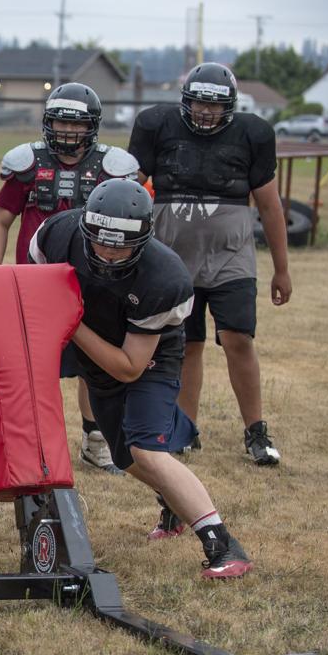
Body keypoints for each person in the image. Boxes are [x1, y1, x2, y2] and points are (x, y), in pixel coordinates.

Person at [29, 178, 251, 578]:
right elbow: (34, 282)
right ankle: (173, 504)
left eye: (122, 244)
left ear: (145, 237)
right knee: (125, 456)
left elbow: (129, 366)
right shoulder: (57, 234)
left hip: (148, 358)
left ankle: (223, 544)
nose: (110, 253)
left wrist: (70, 321)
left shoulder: (164, 277)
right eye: (101, 241)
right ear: (85, 227)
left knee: (146, 448)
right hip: (95, 348)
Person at [129, 62, 290, 472]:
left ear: (229, 107)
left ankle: (256, 430)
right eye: (199, 102)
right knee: (187, 342)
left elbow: (270, 206)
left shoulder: (252, 134)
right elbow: (129, 187)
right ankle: (185, 429)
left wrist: (282, 268)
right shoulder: (156, 125)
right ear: (186, 100)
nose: (205, 112)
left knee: (238, 337)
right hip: (171, 254)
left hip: (230, 256)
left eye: (214, 105)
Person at [0, 82, 141, 476]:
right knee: (35, 367)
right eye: (60, 123)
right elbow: (2, 221)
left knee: (94, 366)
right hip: (34, 281)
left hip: (90, 281)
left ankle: (95, 439)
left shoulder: (112, 168)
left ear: (92, 127)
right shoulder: (28, 164)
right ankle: (34, 441)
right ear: (46, 122)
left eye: (77, 126)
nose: (68, 133)